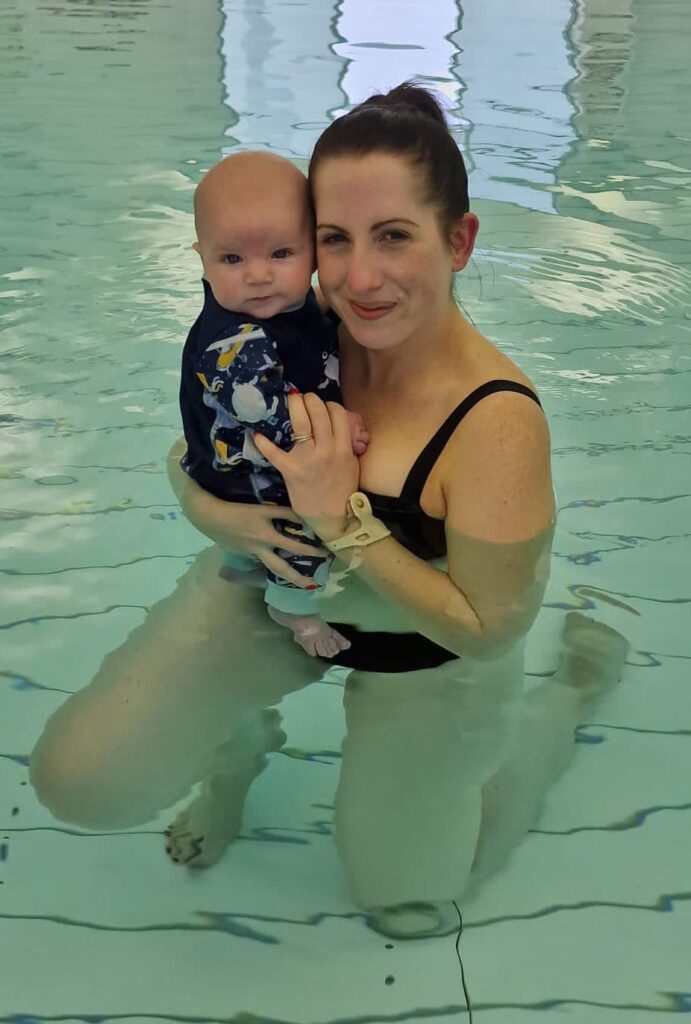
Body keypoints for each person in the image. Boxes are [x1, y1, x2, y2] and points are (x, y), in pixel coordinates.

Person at [29, 82, 629, 939]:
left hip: (435, 650)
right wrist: (215, 517)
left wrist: (341, 517)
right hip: (277, 596)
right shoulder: (294, 327)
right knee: (80, 780)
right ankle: (238, 752)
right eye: (335, 241)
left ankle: (570, 693)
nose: (359, 278)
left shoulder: (494, 420)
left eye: (393, 237)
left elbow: (488, 628)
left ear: (458, 240)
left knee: (407, 901)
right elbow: (191, 450)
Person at [181, 151, 369, 658]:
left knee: (250, 550)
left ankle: (240, 567)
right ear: (202, 257)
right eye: (232, 259)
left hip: (228, 472)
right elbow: (266, 417)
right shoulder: (235, 339)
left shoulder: (289, 304)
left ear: (312, 249)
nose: (258, 275)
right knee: (302, 532)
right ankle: (295, 610)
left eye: (281, 254)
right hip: (249, 477)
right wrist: (340, 426)